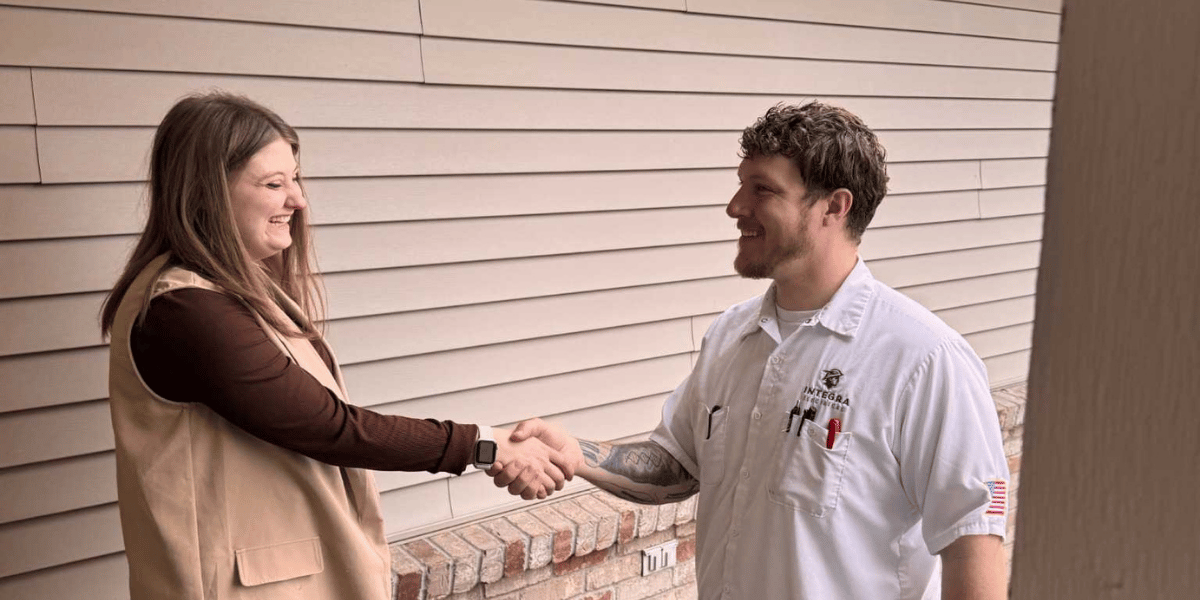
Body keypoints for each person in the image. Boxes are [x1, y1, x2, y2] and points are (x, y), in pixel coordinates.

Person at [500, 102, 1011, 599]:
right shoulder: (731, 336)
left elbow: (972, 546)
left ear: (834, 206)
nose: (735, 206)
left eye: (762, 189)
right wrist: (577, 454)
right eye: (741, 184)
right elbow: (678, 464)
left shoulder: (924, 359)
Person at [99, 92, 570, 600]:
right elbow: (329, 427)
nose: (298, 200)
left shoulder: (233, 292)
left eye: (295, 178)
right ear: (205, 192)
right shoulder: (184, 310)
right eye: (274, 184)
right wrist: (483, 445)